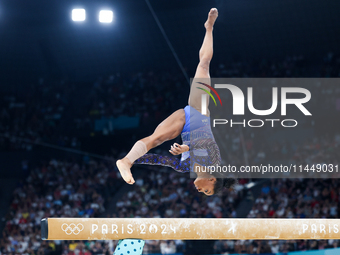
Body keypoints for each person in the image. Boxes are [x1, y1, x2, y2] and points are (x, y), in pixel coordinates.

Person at [117, 8, 236, 195]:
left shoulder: (184, 167)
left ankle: (126, 161)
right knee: (204, 65)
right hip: (199, 112)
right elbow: (208, 144)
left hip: (182, 121)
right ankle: (209, 28)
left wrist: (136, 161)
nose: (200, 191)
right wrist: (188, 147)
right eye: (207, 191)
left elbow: (159, 160)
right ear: (212, 179)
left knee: (155, 140)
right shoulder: (214, 161)